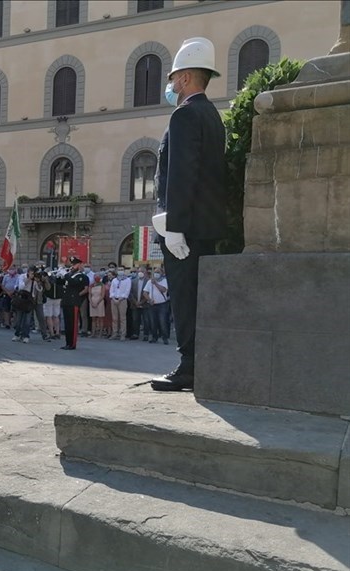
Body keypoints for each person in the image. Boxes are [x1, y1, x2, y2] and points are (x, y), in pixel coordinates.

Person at [151, 37, 226, 391]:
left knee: (184, 297)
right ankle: (198, 363)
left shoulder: (184, 114)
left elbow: (181, 174)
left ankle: (188, 366)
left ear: (183, 78)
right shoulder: (212, 115)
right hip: (206, 226)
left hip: (185, 228)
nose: (170, 86)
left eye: (172, 78)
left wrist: (175, 227)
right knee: (199, 298)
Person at [59, 256, 89, 350]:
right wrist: (59, 276)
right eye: (72, 264)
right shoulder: (69, 275)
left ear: (80, 265)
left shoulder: (81, 276)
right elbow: (60, 283)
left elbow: (73, 282)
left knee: (73, 324)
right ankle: (67, 343)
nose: (73, 266)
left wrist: (65, 275)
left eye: (75, 264)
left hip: (74, 302)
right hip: (66, 301)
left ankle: (72, 344)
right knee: (67, 324)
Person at [143, 270, 171, 345]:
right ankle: (154, 337)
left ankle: (165, 337)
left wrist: (155, 283)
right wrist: (149, 299)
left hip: (162, 304)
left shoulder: (164, 281)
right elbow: (145, 292)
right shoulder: (149, 282)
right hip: (152, 304)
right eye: (155, 272)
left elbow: (164, 290)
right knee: (153, 322)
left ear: (162, 273)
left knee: (162, 321)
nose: (156, 274)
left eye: (158, 272)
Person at [109, 267, 130, 340]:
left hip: (122, 300)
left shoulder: (127, 280)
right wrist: (114, 298)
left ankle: (122, 334)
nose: (120, 271)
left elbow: (127, 291)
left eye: (122, 270)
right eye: (119, 270)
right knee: (114, 318)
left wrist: (120, 299)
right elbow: (111, 290)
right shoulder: (114, 280)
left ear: (124, 271)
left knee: (122, 318)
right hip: (114, 300)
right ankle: (114, 333)